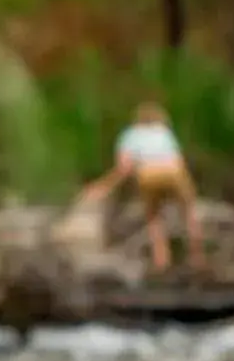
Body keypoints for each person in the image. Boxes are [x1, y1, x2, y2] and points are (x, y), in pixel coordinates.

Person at [74, 100, 205, 270]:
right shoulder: (163, 131)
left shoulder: (129, 135)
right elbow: (178, 159)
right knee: (188, 211)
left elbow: (124, 168)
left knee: (153, 217)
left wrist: (104, 186)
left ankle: (162, 262)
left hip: (147, 173)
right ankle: (198, 258)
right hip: (173, 171)